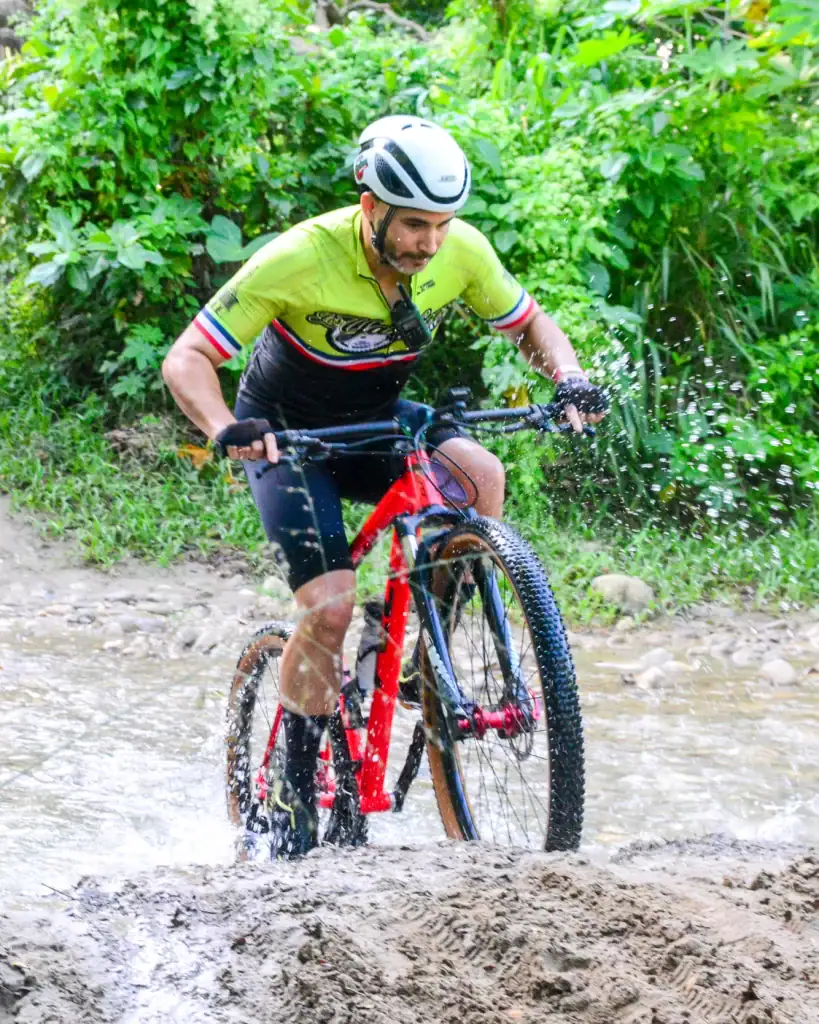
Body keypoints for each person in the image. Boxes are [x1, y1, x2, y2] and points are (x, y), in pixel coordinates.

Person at [162, 115, 608, 858]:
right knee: (329, 612)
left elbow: (530, 325)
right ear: (367, 206)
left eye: (439, 225)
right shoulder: (300, 255)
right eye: (411, 226)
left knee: (480, 477)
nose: (428, 244)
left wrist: (569, 378)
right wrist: (222, 428)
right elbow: (187, 359)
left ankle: (411, 661)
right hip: (287, 438)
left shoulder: (459, 250)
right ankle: (294, 795)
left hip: (379, 421)